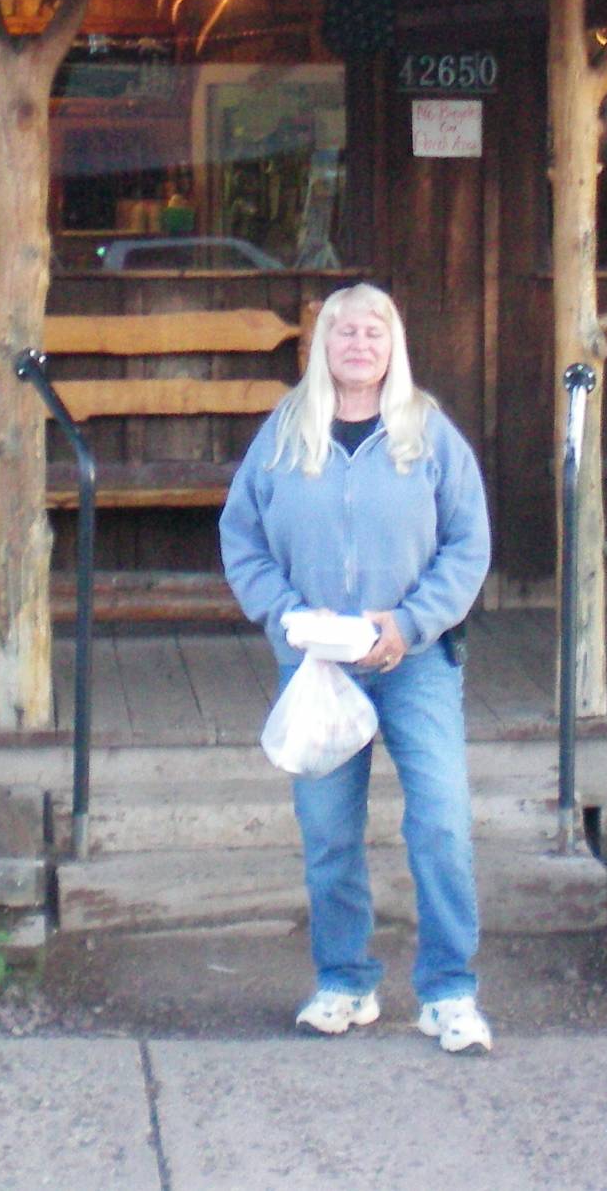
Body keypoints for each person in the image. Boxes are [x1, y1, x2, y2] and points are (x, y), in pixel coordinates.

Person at [219, 283, 494, 1055]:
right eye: (344, 330)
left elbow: (468, 545)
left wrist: (407, 624)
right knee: (328, 832)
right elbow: (241, 538)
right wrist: (285, 617)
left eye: (375, 331)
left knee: (440, 820)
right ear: (321, 346)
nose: (360, 343)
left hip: (416, 661)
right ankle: (345, 980)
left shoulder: (430, 434)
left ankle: (449, 992)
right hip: (318, 668)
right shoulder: (283, 433)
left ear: (394, 343)